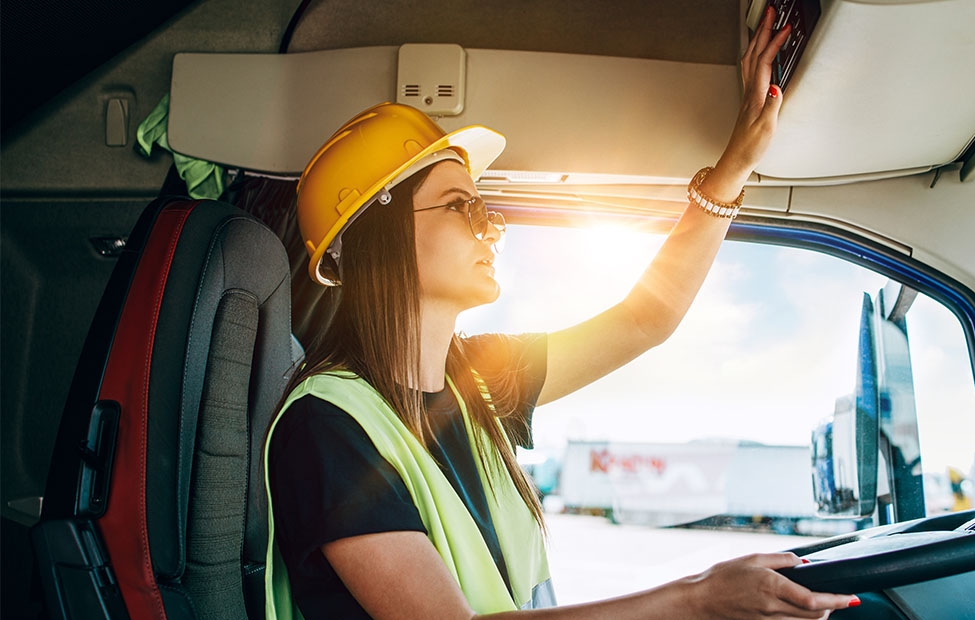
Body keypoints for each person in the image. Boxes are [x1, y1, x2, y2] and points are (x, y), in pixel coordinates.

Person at [264, 6, 861, 619]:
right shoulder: (324, 428)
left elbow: (643, 320)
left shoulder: (480, 378)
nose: (490, 231)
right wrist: (697, 600)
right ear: (377, 238)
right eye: (460, 208)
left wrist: (733, 165)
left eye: (486, 212)